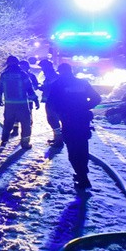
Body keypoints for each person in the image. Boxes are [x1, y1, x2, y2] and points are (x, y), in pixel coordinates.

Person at [46, 63, 101, 191]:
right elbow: (96, 98)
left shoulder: (58, 84)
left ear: (60, 72)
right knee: (82, 146)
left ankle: (81, 176)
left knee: (73, 149)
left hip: (69, 120)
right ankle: (83, 175)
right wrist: (85, 107)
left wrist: (60, 113)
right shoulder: (82, 83)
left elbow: (52, 104)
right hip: (83, 119)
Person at [0, 55, 39, 149]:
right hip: (22, 104)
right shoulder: (23, 74)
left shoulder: (4, 75)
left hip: (9, 104)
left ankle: (4, 142)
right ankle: (25, 143)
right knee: (26, 123)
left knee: (7, 123)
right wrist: (35, 99)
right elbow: (29, 88)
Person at [38, 58, 63, 145]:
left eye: (42, 67)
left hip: (53, 102)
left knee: (53, 120)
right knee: (53, 120)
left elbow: (52, 88)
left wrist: (42, 87)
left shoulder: (52, 76)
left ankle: (59, 140)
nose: (42, 69)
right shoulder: (51, 75)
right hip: (52, 101)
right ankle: (57, 138)